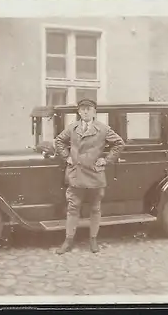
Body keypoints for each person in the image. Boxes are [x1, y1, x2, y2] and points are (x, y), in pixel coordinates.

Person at [54, 98, 125, 254]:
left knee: (95, 208)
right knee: (73, 208)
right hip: (76, 174)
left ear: (94, 111)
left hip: (94, 174)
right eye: (83, 109)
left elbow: (119, 143)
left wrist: (105, 160)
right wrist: (66, 156)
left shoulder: (103, 129)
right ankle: (68, 240)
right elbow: (59, 140)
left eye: (89, 109)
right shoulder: (72, 128)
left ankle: (93, 239)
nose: (86, 111)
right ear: (79, 112)